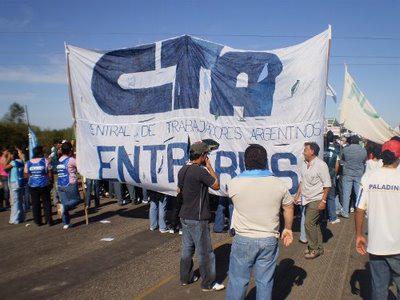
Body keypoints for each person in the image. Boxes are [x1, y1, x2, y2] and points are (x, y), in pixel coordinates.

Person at [226, 144, 294, 300]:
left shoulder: (234, 183)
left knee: (238, 281)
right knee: (264, 282)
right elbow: (289, 206)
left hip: (243, 239)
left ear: (245, 161)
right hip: (268, 239)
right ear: (266, 161)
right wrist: (288, 229)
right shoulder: (278, 184)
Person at [355, 139, 400, 300]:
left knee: (379, 290)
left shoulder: (369, 177)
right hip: (397, 246)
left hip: (376, 245)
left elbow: (359, 208)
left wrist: (359, 235)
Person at [177, 141, 224, 292]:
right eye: (206, 155)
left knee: (187, 249)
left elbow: (179, 189)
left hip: (184, 215)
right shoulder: (200, 171)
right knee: (206, 252)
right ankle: (208, 283)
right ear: (203, 156)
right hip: (198, 217)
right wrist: (209, 167)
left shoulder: (183, 169)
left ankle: (186, 278)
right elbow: (216, 185)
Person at [295, 142, 331, 259]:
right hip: (306, 198)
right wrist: (297, 195)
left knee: (308, 223)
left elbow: (327, 185)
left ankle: (314, 248)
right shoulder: (304, 164)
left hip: (317, 198)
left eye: (306, 150)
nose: (303, 152)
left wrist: (323, 201)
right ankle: (318, 248)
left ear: (312, 152)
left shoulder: (321, 165)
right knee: (314, 224)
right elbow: (302, 181)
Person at [25, 146, 53, 226]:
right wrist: (51, 181)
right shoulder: (45, 161)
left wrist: (31, 179)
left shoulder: (28, 162)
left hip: (33, 185)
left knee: (35, 203)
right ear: (41, 153)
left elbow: (26, 174)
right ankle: (49, 221)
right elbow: (50, 172)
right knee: (47, 202)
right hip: (44, 184)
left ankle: (38, 221)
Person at [340, 135, 367, 218]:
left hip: (347, 173)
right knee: (359, 194)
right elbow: (364, 160)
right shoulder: (363, 150)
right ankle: (360, 210)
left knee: (346, 194)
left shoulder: (346, 149)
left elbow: (342, 159)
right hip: (359, 173)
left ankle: (345, 212)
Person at [56, 142, 81, 229]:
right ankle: (64, 207)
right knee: (77, 200)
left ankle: (66, 223)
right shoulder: (71, 160)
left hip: (60, 185)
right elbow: (81, 166)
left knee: (64, 203)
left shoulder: (59, 160)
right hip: (70, 183)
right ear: (71, 150)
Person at [323, 131, 340, 224]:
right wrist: (334, 174)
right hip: (331, 174)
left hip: (321, 175)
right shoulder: (336, 149)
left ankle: (323, 217)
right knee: (330, 197)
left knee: (321, 196)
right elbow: (337, 165)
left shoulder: (321, 148)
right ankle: (332, 217)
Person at [4, 149, 25, 224]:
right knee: (20, 201)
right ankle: (21, 217)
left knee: (14, 201)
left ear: (12, 155)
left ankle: (14, 219)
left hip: (14, 183)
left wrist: (8, 158)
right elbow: (22, 157)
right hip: (21, 182)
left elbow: (5, 168)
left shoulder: (13, 162)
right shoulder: (21, 161)